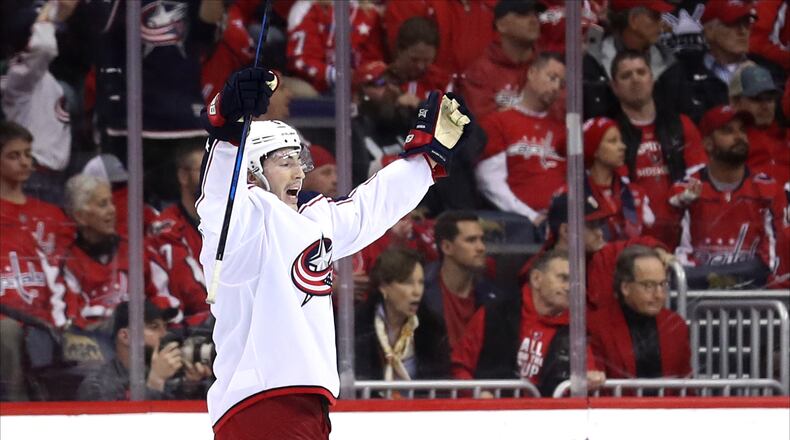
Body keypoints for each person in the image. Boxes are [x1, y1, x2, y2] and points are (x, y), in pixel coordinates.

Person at [199, 67, 472, 438]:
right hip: (260, 405)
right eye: (284, 162)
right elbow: (219, 196)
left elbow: (370, 208)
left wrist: (423, 160)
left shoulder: (313, 221)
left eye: (299, 161)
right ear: (250, 173)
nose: (299, 173)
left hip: (307, 405)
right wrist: (227, 124)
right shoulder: (243, 224)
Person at [452, 250, 605, 396]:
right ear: (536, 279)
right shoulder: (494, 313)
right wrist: (477, 395)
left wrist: (592, 380)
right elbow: (459, 367)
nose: (569, 287)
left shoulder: (575, 331)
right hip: (495, 412)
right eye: (563, 278)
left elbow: (588, 376)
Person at [670, 105, 786, 289]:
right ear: (708, 143)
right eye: (727, 131)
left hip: (757, 297)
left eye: (742, 130)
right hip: (697, 299)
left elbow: (770, 262)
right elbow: (678, 264)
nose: (739, 136)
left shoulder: (768, 189)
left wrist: (717, 276)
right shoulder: (684, 191)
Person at [53, 174, 178, 330]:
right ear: (80, 216)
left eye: (111, 202)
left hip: (144, 335)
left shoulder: (134, 250)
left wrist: (154, 313)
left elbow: (162, 297)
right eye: (103, 205)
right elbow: (74, 323)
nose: (112, 210)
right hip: (99, 340)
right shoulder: (69, 263)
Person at [609, 50, 707, 248]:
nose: (635, 79)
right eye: (626, 76)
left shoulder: (681, 124)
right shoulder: (610, 132)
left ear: (652, 78)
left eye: (641, 72)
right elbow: (616, 182)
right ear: (614, 87)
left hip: (683, 235)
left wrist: (681, 192)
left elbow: (700, 171)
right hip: (633, 240)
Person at [475, 52, 567, 227]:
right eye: (552, 78)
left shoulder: (562, 130)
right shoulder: (497, 123)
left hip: (561, 224)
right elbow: (489, 181)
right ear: (531, 73)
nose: (556, 87)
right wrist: (531, 217)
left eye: (561, 84)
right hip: (517, 225)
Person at [0, 0, 78, 204]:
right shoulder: (20, 77)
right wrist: (51, 8)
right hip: (34, 177)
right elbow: (43, 47)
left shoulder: (40, 77)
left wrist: (58, 13)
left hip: (52, 177)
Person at [589, 245, 691, 385]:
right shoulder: (597, 326)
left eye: (663, 284)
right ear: (625, 287)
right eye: (648, 285)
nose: (659, 295)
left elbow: (686, 386)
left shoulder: (675, 325)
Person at [76, 300, 211, 401]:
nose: (164, 334)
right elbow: (123, 426)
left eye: (165, 327)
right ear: (125, 336)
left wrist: (189, 386)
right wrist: (155, 382)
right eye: (154, 327)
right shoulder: (96, 385)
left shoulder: (165, 372)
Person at [355, 248, 450, 382]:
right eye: (408, 282)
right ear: (383, 286)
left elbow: (439, 382)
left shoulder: (432, 328)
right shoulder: (357, 325)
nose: (417, 291)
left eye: (421, 283)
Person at [655, 0, 756, 123]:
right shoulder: (683, 74)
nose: (743, 31)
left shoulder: (765, 72)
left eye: (747, 23)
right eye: (732, 24)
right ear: (708, 30)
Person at [148, 144, 210, 327]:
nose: (211, 177)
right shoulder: (167, 229)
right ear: (183, 176)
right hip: (187, 328)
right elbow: (191, 293)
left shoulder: (228, 222)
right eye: (203, 169)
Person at [422, 211, 501, 353]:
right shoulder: (420, 292)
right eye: (471, 240)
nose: (481, 247)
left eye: (482, 239)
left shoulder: (493, 298)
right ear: (447, 247)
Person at [583, 0, 675, 118]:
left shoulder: (670, 64)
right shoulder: (593, 66)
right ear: (634, 21)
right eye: (655, 16)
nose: (663, 23)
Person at [458, 0, 544, 119]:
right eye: (523, 14)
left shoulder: (548, 67)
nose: (534, 20)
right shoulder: (480, 72)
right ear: (501, 25)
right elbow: (482, 123)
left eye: (535, 14)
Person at [286, 0, 385, 94]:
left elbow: (373, 60)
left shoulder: (370, 13)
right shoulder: (306, 7)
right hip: (316, 86)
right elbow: (301, 61)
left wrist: (364, 77)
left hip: (357, 87)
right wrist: (339, 75)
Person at [583, 116, 654, 240]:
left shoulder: (635, 193)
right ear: (594, 150)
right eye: (613, 141)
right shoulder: (574, 196)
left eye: (621, 140)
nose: (623, 147)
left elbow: (646, 239)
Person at [384, 0, 495, 77]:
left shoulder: (492, 6)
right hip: (427, 90)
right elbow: (405, 59)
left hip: (480, 90)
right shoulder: (411, 3)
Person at [728, 64, 787, 182]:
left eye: (770, 99)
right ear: (736, 102)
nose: (765, 106)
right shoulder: (728, 142)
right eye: (756, 99)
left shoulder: (785, 136)